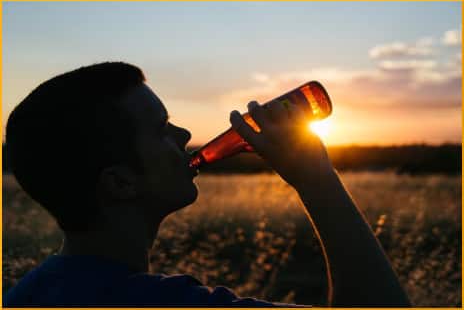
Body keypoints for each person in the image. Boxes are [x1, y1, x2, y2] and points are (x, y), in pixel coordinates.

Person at [4, 62, 411, 307]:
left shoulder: (31, 292)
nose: (183, 134)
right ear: (120, 183)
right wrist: (317, 179)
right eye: (162, 129)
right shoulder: (157, 303)